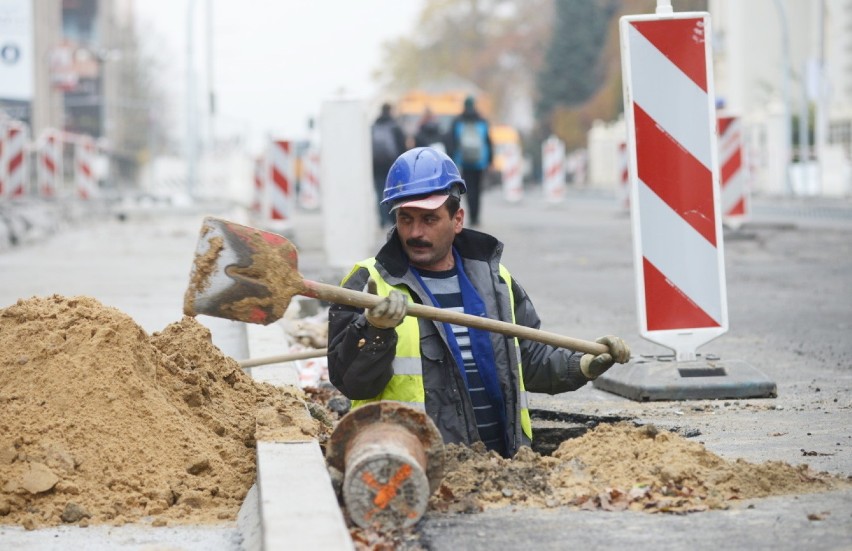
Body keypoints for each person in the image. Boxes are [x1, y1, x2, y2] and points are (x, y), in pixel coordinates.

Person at [327, 147, 630, 458]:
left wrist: (580, 364)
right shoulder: (368, 284)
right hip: (415, 469)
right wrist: (375, 330)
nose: (415, 232)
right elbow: (351, 382)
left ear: (457, 219)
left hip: (499, 468)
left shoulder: (494, 281)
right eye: (406, 219)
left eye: (429, 219)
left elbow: (525, 359)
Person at [446, 95, 492, 227]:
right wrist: (490, 160)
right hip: (480, 161)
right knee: (478, 189)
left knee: (469, 189)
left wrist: (452, 159)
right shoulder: (482, 120)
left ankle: (471, 216)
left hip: (463, 160)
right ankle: (476, 217)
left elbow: (451, 141)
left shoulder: (458, 121)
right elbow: (488, 141)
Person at [370, 102, 407, 227]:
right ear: (390, 110)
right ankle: (393, 219)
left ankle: (382, 220)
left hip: (376, 166)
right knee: (394, 191)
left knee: (380, 191)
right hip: (392, 165)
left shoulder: (374, 126)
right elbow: (402, 147)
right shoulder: (395, 126)